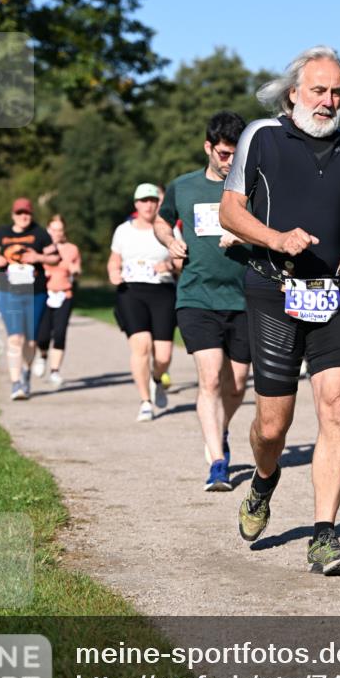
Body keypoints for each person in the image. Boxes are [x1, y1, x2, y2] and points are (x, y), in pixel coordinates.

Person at [220, 45, 340, 576]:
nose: (329, 101)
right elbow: (230, 211)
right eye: (318, 90)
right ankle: (263, 483)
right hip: (273, 290)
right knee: (273, 425)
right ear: (294, 93)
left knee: (339, 404)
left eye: (337, 92)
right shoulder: (261, 137)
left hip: (333, 293)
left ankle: (324, 536)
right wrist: (276, 238)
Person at [154, 111, 251, 492]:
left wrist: (246, 236)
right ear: (208, 148)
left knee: (237, 383)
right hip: (196, 294)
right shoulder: (184, 186)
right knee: (209, 378)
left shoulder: (252, 188)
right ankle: (217, 461)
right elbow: (163, 220)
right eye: (225, 154)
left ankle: (221, 430)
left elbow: (273, 231)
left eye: (236, 154)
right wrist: (169, 241)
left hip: (244, 297)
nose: (230, 161)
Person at [108, 184, 177, 421]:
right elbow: (113, 260)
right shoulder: (123, 231)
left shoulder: (168, 229)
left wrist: (168, 265)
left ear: (158, 203)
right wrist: (113, 274)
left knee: (164, 356)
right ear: (136, 204)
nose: (148, 205)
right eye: (143, 201)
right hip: (131, 291)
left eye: (152, 200)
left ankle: (157, 379)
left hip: (162, 291)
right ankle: (145, 401)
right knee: (141, 346)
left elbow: (180, 261)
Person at [0, 198, 58, 400]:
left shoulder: (40, 233)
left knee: (31, 340)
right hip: (8, 291)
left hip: (35, 292)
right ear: (13, 215)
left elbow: (55, 257)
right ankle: (16, 383)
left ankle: (26, 373)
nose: (23, 217)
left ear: (31, 214)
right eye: (19, 213)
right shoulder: (3, 233)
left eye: (26, 213)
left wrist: (38, 258)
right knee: (15, 338)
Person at [33, 215, 82, 387]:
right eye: (53, 229)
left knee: (60, 333)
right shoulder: (40, 248)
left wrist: (75, 271)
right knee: (43, 335)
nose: (56, 233)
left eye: (60, 230)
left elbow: (76, 268)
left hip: (64, 294)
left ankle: (55, 371)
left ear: (64, 231)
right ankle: (42, 355)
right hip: (44, 294)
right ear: (48, 230)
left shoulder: (72, 249)